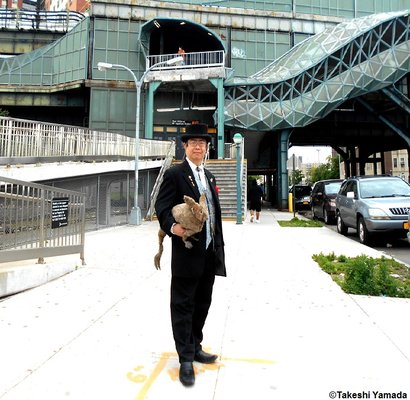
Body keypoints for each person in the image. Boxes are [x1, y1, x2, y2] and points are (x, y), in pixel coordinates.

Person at [155, 123, 226, 387]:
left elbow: (214, 214)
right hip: (187, 252)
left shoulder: (209, 176)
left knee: (203, 302)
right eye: (193, 142)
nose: (198, 146)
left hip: (209, 252)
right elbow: (161, 207)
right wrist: (173, 228)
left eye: (202, 143)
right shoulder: (175, 174)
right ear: (184, 147)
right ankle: (185, 357)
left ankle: (195, 345)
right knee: (183, 304)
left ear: (207, 148)